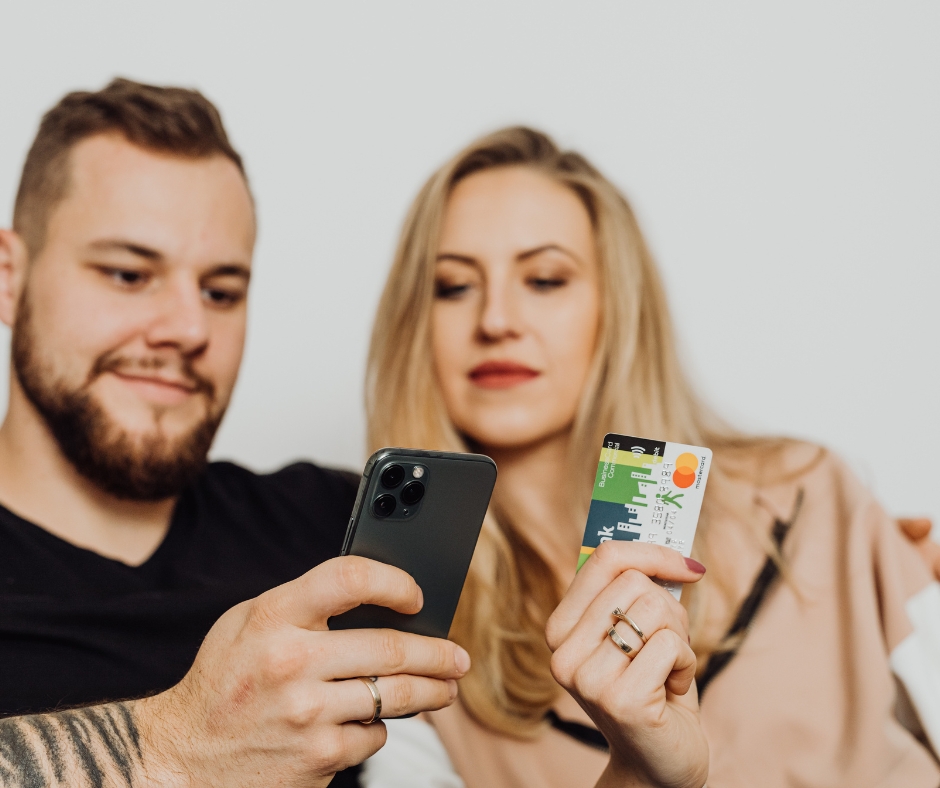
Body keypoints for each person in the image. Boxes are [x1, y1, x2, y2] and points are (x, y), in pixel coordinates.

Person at [0, 82, 712, 788]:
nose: (188, 329)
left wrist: (643, 774)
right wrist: (178, 746)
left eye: (221, 292)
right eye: (128, 274)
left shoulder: (332, 532)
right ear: (9, 276)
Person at [359, 127, 940, 787]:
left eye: (545, 279)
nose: (496, 319)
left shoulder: (812, 498)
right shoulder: (416, 654)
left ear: (617, 307)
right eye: (454, 286)